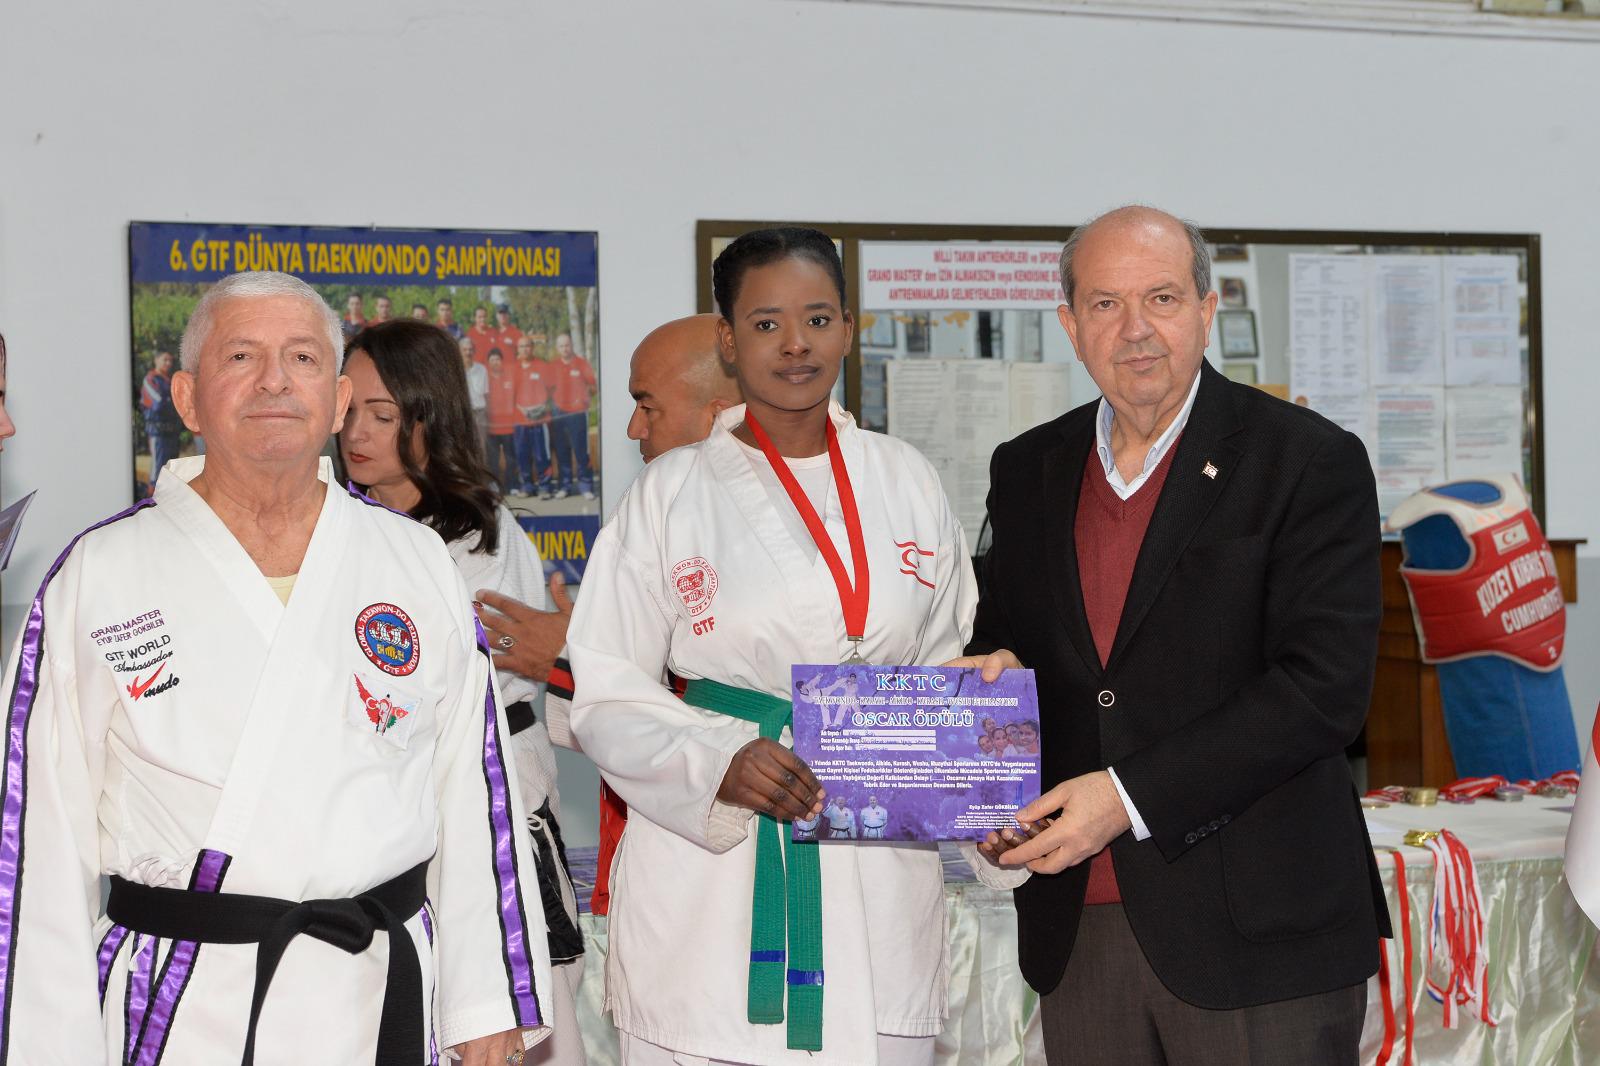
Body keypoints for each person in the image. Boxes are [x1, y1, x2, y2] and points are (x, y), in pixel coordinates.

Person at [0, 271, 550, 1065]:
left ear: (337, 400)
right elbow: (39, 832)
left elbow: (473, 789)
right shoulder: (101, 571)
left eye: (302, 358)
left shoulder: (413, 559)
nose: (274, 381)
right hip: (187, 1001)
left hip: (379, 993)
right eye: (241, 357)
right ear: (187, 400)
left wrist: (486, 1003)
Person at [967, 206, 1387, 1064]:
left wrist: (1124, 797)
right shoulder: (1026, 467)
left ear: (1205, 307)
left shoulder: (1307, 459)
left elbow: (1324, 690)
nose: (1135, 329)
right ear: (1070, 326)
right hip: (1079, 924)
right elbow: (1007, 646)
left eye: (1160, 298)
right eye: (1105, 304)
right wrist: (990, 695)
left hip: (1261, 936)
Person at [567, 227, 975, 1065]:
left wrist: (978, 759)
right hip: (712, 882)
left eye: (818, 319)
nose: (796, 344)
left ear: (849, 329)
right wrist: (719, 760)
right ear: (728, 340)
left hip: (879, 873)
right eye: (765, 324)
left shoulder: (906, 477)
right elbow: (605, 693)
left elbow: (942, 666)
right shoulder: (669, 493)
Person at [339, 318, 587, 1066]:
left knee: (505, 1010)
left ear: (429, 416)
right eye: (348, 409)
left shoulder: (478, 534)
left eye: (382, 415)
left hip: (490, 792)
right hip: (377, 808)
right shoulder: (337, 526)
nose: (357, 433)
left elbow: (431, 682)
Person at [479, 314, 738, 921]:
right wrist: (579, 658)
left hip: (734, 857)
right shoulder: (656, 519)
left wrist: (572, 658)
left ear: (719, 416)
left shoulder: (784, 538)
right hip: (660, 852)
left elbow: (738, 706)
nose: (632, 429)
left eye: (648, 407)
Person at [546, 333, 597, 499]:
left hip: (578, 413)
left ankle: (586, 486)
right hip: (559, 414)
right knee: (562, 451)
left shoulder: (582, 364)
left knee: (581, 451)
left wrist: (584, 396)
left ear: (572, 345)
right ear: (557, 348)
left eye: (567, 345)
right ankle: (564, 486)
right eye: (561, 346)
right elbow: (546, 390)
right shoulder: (553, 366)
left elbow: (593, 387)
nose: (565, 349)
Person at [514, 336, 553, 497]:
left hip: (540, 419)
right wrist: (521, 409)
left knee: (541, 454)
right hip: (520, 420)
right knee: (522, 455)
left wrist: (543, 407)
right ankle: (527, 486)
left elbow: (552, 390)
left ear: (532, 347)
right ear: (518, 349)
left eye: (527, 346)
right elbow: (510, 394)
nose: (525, 349)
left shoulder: (542, 366)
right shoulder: (513, 368)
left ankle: (545, 487)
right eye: (522, 346)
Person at [140, 349, 183, 493]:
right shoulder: (150, 379)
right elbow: (158, 403)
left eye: (170, 360)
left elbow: (180, 403)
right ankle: (152, 500)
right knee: (157, 471)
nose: (168, 363)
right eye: (165, 359)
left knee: (172, 471)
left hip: (172, 432)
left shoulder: (170, 381)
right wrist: (172, 401)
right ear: (156, 360)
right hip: (158, 432)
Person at [485, 347, 520, 493]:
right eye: (492, 360)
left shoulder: (510, 377)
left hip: (508, 426)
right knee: (493, 460)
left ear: (502, 361)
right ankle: (496, 487)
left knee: (510, 458)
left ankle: (513, 485)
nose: (495, 362)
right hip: (491, 427)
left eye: (498, 359)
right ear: (488, 362)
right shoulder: (485, 379)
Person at [462, 335, 490, 462]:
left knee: (481, 446)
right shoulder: (455, 369)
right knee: (463, 446)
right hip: (463, 413)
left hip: (479, 412)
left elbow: (486, 393)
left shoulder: (482, 369)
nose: (468, 352)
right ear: (460, 351)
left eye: (470, 349)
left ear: (474, 351)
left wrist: (487, 413)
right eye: (465, 349)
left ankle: (481, 473)